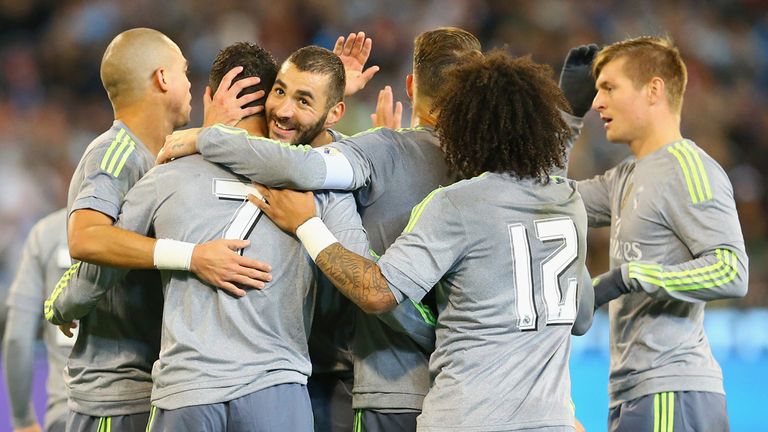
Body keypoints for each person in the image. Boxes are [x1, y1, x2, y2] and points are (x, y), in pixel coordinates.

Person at [252, 49, 594, 432]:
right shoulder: (570, 203)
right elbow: (581, 317)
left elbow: (376, 292)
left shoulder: (459, 203)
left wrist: (307, 224)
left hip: (463, 416)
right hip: (551, 420)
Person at [55, 41, 367, 432]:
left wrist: (60, 305)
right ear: (271, 97)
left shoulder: (165, 173)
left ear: (210, 96)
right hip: (278, 387)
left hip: (186, 392)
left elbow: (92, 276)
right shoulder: (316, 182)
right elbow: (360, 279)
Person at [42, 28, 269, 432]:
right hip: (115, 397)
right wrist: (192, 258)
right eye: (184, 71)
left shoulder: (160, 157)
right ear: (163, 79)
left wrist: (211, 138)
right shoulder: (114, 153)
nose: (190, 83)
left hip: (157, 388)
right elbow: (87, 238)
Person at [578, 36, 748, 431]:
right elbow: (546, 200)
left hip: (672, 391)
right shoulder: (625, 176)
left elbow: (732, 270)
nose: (596, 103)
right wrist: (566, 123)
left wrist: (630, 276)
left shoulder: (690, 168)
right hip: (635, 391)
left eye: (609, 88)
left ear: (654, 89)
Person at [2, 209, 71, 432]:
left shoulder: (46, 233)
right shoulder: (143, 224)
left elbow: (17, 338)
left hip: (66, 410)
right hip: (135, 408)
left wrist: (22, 419)